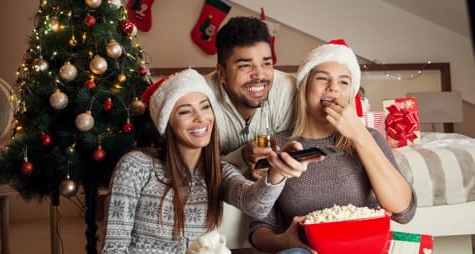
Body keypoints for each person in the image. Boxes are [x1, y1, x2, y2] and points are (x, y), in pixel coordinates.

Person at [101, 68, 317, 253]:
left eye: (205, 107)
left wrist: (278, 170)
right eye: (186, 112)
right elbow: (114, 248)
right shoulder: (135, 166)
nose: (200, 118)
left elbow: (255, 205)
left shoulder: (218, 171)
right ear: (167, 124)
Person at [248, 39, 417, 254]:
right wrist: (284, 241)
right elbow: (259, 229)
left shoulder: (368, 138)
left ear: (350, 94)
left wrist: (359, 135)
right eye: (322, 78)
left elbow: (404, 211)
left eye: (344, 82)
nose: (333, 88)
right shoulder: (279, 146)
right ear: (305, 88)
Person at [205, 16, 297, 173]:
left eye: (266, 63)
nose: (260, 75)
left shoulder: (289, 90)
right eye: (245, 66)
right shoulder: (200, 97)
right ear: (221, 73)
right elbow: (193, 166)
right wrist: (240, 157)